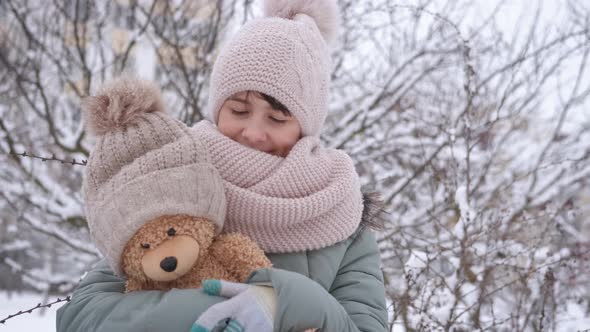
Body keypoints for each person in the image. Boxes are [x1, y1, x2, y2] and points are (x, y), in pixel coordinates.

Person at [56, 0, 388, 331]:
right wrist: (220, 308)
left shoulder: (342, 215)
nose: (254, 133)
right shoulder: (175, 179)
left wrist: (291, 302)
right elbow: (84, 316)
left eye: (277, 117)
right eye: (239, 111)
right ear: (217, 110)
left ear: (307, 125)